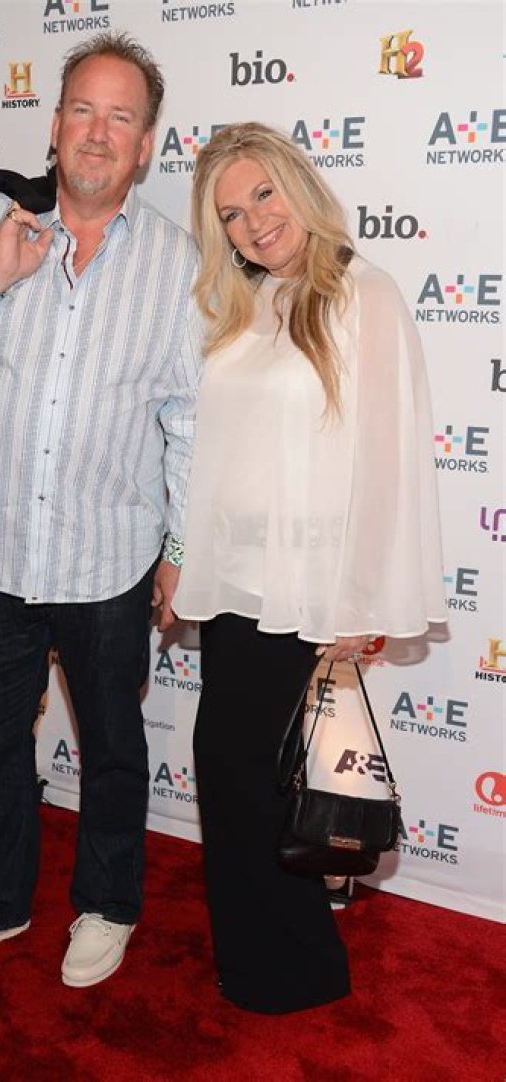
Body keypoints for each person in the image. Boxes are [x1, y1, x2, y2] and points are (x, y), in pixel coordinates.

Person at [0, 32, 202, 988]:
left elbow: (189, 420)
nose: (98, 133)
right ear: (54, 124)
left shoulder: (178, 264)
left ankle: (106, 904)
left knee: (113, 747)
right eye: (83, 111)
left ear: (145, 144)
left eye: (121, 117)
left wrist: (180, 550)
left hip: (110, 556)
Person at [173, 122, 447, 1014]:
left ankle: (293, 966)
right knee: (237, 774)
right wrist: (188, 557)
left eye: (263, 194)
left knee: (263, 779)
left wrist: (359, 601)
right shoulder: (246, 302)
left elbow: (388, 461)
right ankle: (264, 957)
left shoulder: (365, 293)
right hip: (239, 585)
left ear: (299, 186)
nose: (253, 221)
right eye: (231, 213)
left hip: (310, 589)